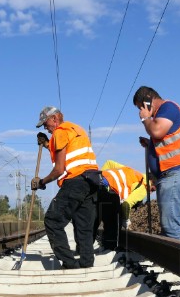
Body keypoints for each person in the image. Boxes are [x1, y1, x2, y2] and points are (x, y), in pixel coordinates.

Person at [32, 106, 99, 269]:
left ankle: (69, 262)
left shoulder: (60, 132)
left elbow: (59, 169)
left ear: (54, 119)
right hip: (91, 181)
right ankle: (86, 262)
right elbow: (69, 152)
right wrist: (48, 144)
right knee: (84, 226)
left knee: (52, 220)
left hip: (75, 181)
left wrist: (42, 182)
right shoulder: (76, 128)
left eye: (46, 123)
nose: (46, 128)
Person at [133, 85, 180, 241]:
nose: (140, 112)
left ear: (148, 101)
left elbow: (157, 131)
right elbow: (165, 141)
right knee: (168, 227)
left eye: (140, 107)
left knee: (171, 226)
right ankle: (178, 264)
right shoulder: (160, 116)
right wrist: (150, 145)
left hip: (178, 173)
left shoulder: (168, 108)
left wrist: (145, 119)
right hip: (171, 175)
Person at [96, 160, 146, 250]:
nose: (152, 191)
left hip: (99, 186)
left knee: (97, 218)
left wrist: (101, 178)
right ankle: (110, 248)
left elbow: (109, 163)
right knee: (114, 222)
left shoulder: (133, 172)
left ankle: (92, 248)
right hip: (109, 192)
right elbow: (126, 205)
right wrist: (126, 220)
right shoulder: (145, 186)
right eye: (153, 189)